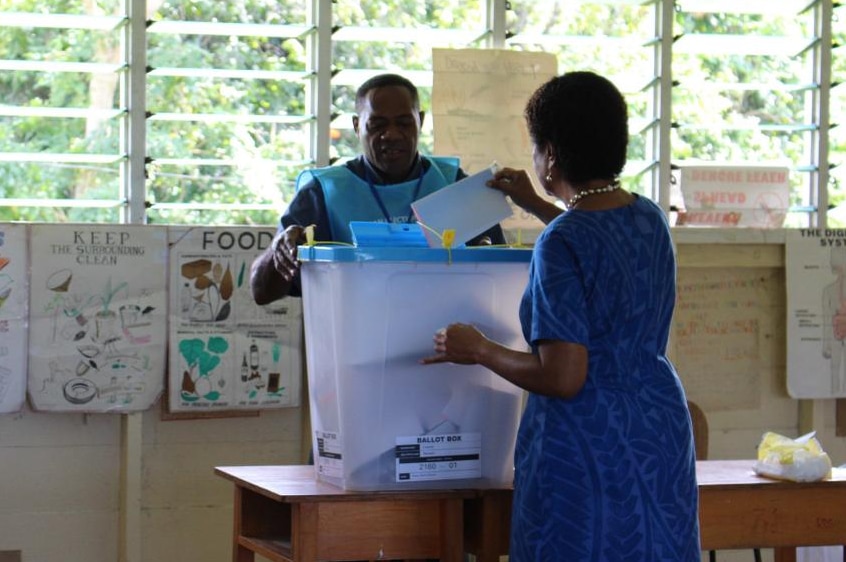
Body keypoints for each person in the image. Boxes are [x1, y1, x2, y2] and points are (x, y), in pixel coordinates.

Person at [421, 71, 701, 561]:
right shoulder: (649, 216)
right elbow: (600, 250)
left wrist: (479, 349)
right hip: (658, 430)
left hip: (586, 443)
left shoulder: (561, 241)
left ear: (550, 154)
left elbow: (565, 376)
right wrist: (538, 203)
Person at [250, 73, 505, 305]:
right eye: (377, 124)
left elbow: (499, 278)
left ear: (421, 121)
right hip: (354, 344)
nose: (391, 134)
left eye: (404, 123)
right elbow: (261, 292)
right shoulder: (324, 193)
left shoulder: (454, 185)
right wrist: (279, 251)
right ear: (356, 125)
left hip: (443, 345)